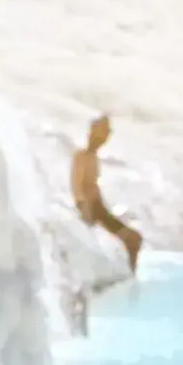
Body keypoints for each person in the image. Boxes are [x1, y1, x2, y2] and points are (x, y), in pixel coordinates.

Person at [71, 115, 141, 272]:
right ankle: (127, 272)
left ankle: (130, 273)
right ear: (93, 133)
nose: (105, 139)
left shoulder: (93, 157)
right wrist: (84, 208)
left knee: (135, 238)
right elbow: (77, 187)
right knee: (132, 238)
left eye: (106, 135)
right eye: (103, 134)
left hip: (99, 208)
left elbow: (93, 188)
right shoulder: (81, 156)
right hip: (90, 208)